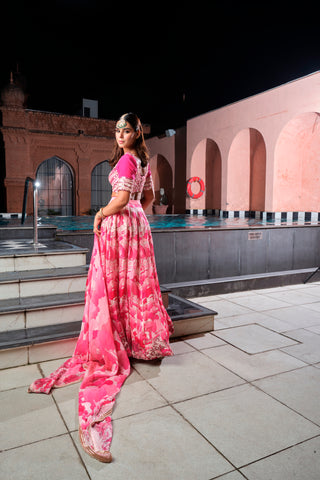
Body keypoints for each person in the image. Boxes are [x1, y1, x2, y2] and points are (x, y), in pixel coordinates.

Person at [28, 112, 173, 463]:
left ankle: (118, 338)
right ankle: (139, 340)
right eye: (117, 130)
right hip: (138, 226)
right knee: (133, 284)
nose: (119, 135)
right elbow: (147, 198)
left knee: (117, 284)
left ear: (136, 132)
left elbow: (120, 200)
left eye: (125, 130)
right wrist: (135, 211)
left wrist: (100, 214)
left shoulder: (127, 159)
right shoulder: (142, 160)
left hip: (121, 225)